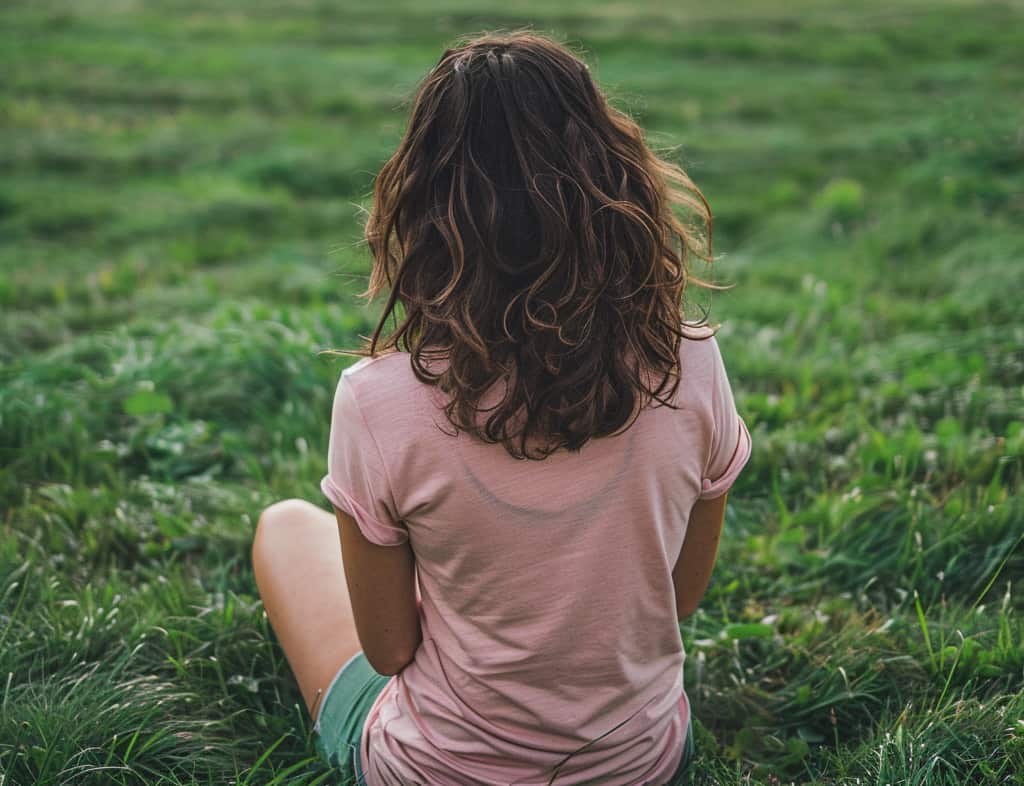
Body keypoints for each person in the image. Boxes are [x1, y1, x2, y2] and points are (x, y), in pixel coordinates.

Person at [252, 30, 753, 786]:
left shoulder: (375, 400)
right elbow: (677, 599)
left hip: (437, 771)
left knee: (285, 527)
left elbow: (389, 650)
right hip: (642, 765)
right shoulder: (690, 357)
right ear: (616, 182)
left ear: (422, 204)